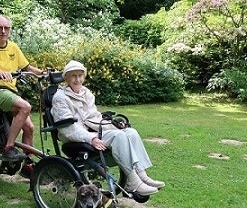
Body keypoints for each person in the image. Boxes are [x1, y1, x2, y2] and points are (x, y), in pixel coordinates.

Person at [51, 60, 165, 196]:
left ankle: (142, 176)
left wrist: (113, 125)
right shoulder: (60, 98)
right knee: (120, 136)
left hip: (93, 131)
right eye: (73, 76)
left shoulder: (86, 93)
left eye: (80, 75)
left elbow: (95, 117)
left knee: (130, 132)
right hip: (77, 138)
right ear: (66, 78)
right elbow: (68, 129)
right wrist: (91, 138)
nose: (77, 79)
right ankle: (133, 183)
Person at [0, 14, 45, 178]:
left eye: (6, 28)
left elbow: (27, 67)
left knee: (29, 128)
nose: (3, 31)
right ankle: (9, 147)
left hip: (10, 92)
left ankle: (28, 166)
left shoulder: (13, 47)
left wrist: (43, 73)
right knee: (25, 107)